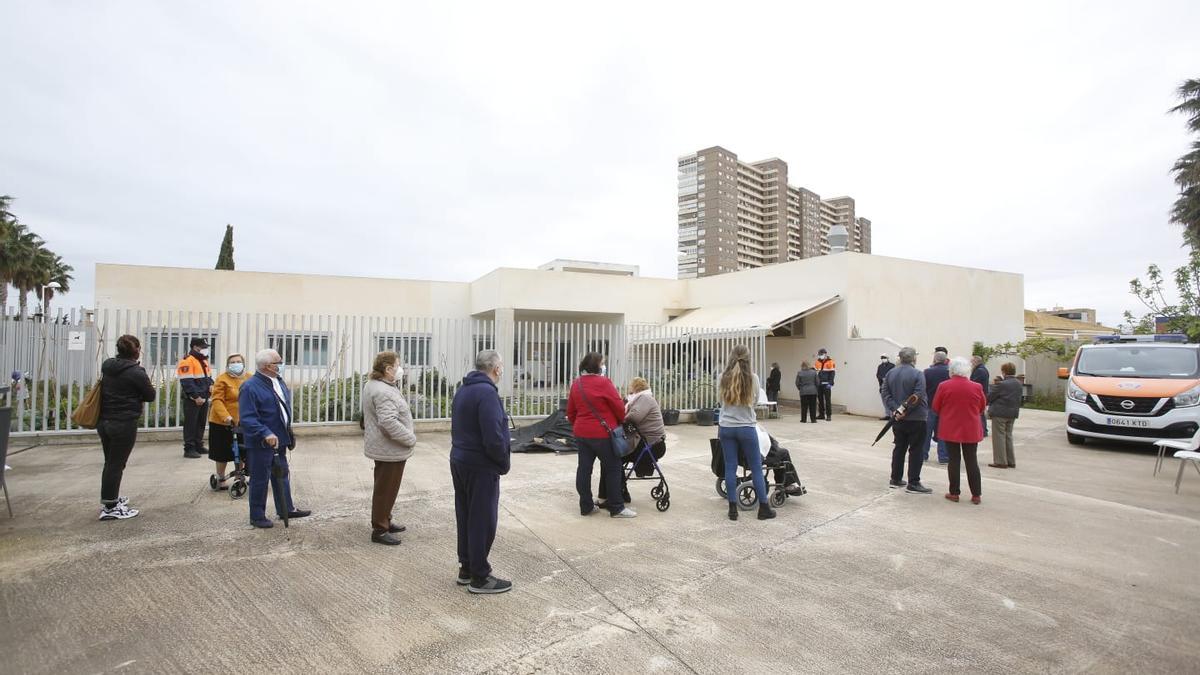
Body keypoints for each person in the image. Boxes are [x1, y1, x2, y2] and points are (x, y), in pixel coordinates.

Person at [450, 350, 513, 594]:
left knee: (466, 516)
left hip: (461, 459)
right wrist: (502, 462)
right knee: (483, 519)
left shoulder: (464, 389)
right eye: (501, 366)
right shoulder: (487, 393)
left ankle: (466, 567)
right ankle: (480, 575)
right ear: (496, 368)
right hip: (480, 464)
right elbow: (493, 437)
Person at [238, 349, 311, 529]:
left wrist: (287, 431)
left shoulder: (277, 381)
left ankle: (286, 508)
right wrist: (265, 433)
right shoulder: (250, 387)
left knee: (281, 475)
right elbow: (247, 418)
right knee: (260, 479)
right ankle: (257, 515)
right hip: (261, 442)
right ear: (268, 366)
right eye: (279, 361)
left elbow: (281, 408)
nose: (282, 364)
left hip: (280, 439)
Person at [568, 352, 635, 518]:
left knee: (584, 469)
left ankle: (586, 506)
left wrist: (580, 425)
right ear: (597, 366)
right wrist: (619, 422)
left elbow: (570, 412)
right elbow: (618, 407)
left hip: (582, 434)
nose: (604, 365)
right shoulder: (604, 382)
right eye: (603, 363)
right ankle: (617, 508)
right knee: (613, 469)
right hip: (603, 434)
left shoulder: (577, 384)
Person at [96, 335, 156, 520]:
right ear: (137, 349)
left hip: (105, 421)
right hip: (124, 423)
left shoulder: (108, 366)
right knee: (116, 464)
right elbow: (150, 395)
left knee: (111, 462)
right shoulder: (136, 372)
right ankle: (110, 507)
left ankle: (110, 498)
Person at [362, 351, 417, 545]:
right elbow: (388, 422)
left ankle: (385, 519)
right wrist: (410, 438)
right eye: (397, 365)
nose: (400, 369)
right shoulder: (383, 390)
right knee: (385, 489)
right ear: (387, 369)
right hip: (389, 449)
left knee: (387, 488)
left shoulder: (377, 385)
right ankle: (379, 529)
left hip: (386, 448)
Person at [717, 345, 775, 521]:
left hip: (726, 427)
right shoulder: (753, 378)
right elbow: (756, 401)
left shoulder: (722, 377)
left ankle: (732, 509)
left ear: (730, 357)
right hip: (746, 427)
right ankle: (763, 508)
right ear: (748, 359)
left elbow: (719, 401)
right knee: (756, 467)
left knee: (730, 466)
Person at [601, 377, 667, 501]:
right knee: (611, 456)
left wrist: (621, 416)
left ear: (636, 388)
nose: (628, 390)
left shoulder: (645, 398)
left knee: (612, 457)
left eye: (630, 388)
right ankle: (611, 493)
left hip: (651, 446)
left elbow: (635, 417)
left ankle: (616, 494)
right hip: (645, 443)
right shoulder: (638, 400)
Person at [933, 357, 987, 504]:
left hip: (950, 428)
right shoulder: (976, 387)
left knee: (954, 460)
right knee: (971, 460)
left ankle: (954, 492)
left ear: (951, 370)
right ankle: (976, 494)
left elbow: (936, 407)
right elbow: (982, 407)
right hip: (971, 428)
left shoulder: (944, 386)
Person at [881, 347, 932, 494]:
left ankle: (895, 478)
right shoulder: (917, 374)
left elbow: (885, 393)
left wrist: (896, 410)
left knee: (899, 447)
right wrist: (904, 410)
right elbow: (918, 395)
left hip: (898, 418)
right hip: (916, 418)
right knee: (916, 450)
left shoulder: (891, 373)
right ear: (914, 358)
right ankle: (913, 482)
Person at [208, 353, 249, 490]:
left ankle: (239, 475)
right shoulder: (222, 379)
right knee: (222, 452)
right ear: (227, 365)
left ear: (243, 364)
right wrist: (226, 417)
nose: (236, 364)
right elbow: (217, 400)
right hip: (222, 421)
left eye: (238, 361)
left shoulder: (249, 377)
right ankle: (220, 477)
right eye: (233, 362)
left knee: (242, 451)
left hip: (242, 421)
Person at [177, 337, 214, 459]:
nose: (205, 350)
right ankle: (189, 448)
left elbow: (208, 377)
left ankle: (198, 445)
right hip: (193, 399)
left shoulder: (203, 361)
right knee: (191, 424)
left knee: (201, 423)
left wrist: (211, 385)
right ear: (195, 347)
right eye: (203, 347)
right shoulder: (187, 361)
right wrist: (196, 396)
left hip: (204, 397)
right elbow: (187, 382)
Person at [987, 362, 1023, 469]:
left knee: (999, 437)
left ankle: (1000, 461)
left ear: (1004, 371)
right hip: (1012, 413)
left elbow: (990, 397)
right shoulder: (1018, 383)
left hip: (1000, 413)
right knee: (1008, 436)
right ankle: (1010, 460)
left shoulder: (1001, 384)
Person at [922, 351, 951, 464]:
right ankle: (943, 456)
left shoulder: (927, 372)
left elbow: (923, 389)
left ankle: (923, 454)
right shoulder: (949, 372)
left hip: (930, 405)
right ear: (945, 360)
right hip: (945, 407)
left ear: (935, 359)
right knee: (943, 432)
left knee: (926, 432)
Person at [970, 356, 991, 437]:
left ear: (976, 362)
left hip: (980, 394)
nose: (971, 363)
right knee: (980, 413)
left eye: (972, 362)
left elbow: (974, 382)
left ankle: (983, 430)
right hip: (982, 393)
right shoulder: (982, 369)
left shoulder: (980, 371)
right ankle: (983, 429)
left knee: (980, 413)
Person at [814, 348, 836, 420]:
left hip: (827, 385)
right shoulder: (817, 362)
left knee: (827, 400)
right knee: (820, 400)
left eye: (821, 354)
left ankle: (828, 415)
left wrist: (830, 383)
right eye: (819, 355)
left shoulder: (830, 362)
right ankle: (821, 414)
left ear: (825, 354)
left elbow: (832, 373)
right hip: (819, 385)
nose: (820, 356)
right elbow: (815, 372)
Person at [876, 354, 895, 420]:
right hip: (882, 386)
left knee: (891, 400)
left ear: (887, 358)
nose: (883, 359)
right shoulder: (880, 366)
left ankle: (892, 415)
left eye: (884, 358)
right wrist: (881, 378)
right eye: (882, 358)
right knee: (884, 401)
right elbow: (878, 375)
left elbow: (893, 374)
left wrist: (886, 378)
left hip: (890, 386)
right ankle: (887, 415)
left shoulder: (892, 366)